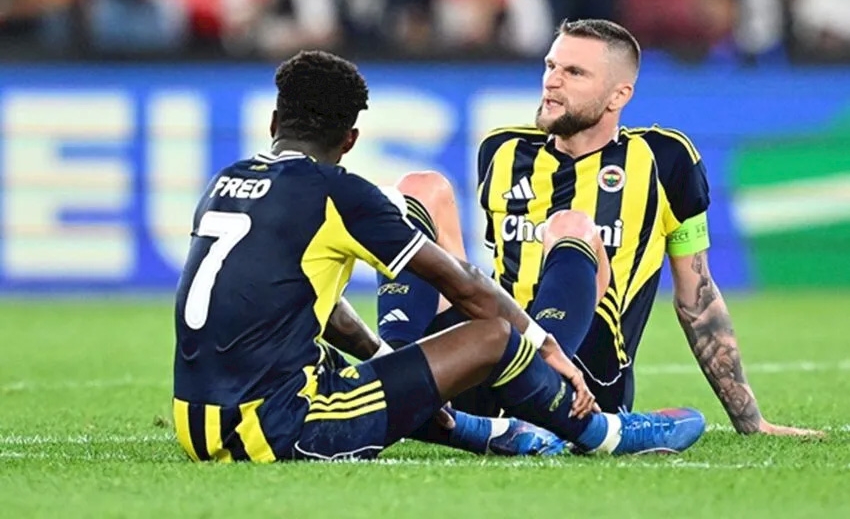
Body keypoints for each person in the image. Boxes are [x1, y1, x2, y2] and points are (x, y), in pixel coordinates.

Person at [171, 49, 706, 462]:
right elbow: (462, 283)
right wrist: (544, 346)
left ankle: (492, 432)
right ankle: (603, 432)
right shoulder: (337, 191)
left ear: (273, 123)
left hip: (196, 420)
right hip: (276, 427)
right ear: (350, 139)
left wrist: (387, 360)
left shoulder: (227, 181)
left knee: (325, 357)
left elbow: (321, 309)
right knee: (494, 335)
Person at [375, 19, 822, 436]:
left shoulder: (667, 159)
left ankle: (541, 377)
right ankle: (394, 376)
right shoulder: (501, 150)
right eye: (551, 66)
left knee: (571, 227)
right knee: (420, 188)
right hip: (495, 356)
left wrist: (749, 419)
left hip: (587, 381)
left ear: (617, 96)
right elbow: (469, 278)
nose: (552, 81)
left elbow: (697, 298)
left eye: (574, 72)